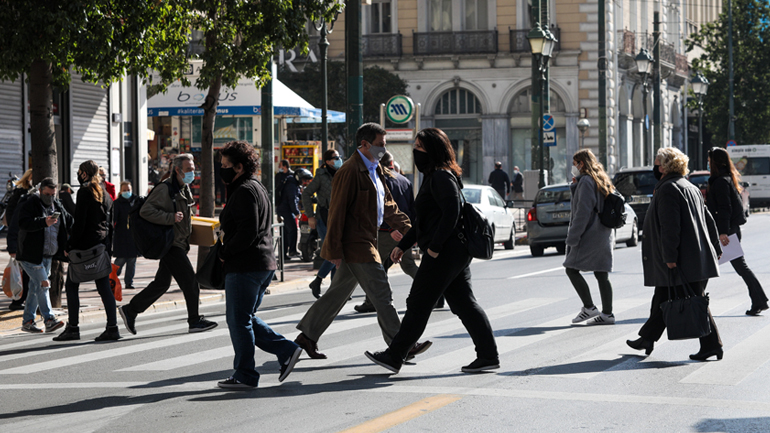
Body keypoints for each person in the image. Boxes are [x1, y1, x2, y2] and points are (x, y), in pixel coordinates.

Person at [365, 128, 499, 374]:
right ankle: (488, 355)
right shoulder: (438, 175)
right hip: (453, 251)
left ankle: (395, 355)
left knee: (418, 303)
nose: (415, 151)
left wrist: (435, 247)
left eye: (420, 147)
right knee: (464, 304)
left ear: (433, 150)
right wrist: (402, 246)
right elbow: (424, 222)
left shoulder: (440, 177)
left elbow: (452, 213)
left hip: (445, 252)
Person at [293, 123, 431, 360]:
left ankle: (306, 336)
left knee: (337, 294)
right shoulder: (348, 171)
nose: (383, 150)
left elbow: (389, 207)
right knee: (382, 293)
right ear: (364, 145)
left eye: (384, 145)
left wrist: (413, 231)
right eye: (379, 145)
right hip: (357, 243)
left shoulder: (375, 169)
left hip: (368, 240)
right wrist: (334, 249)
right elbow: (336, 212)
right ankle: (401, 345)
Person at [216, 141, 302, 390]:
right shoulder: (257, 187)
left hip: (246, 265)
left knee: (238, 321)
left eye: (225, 166)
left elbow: (247, 231)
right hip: (262, 263)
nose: (222, 170)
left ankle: (245, 374)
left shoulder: (243, 190)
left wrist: (224, 251)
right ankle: (287, 351)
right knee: (246, 317)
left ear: (239, 167)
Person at [627, 147, 724, 361]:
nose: (655, 166)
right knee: (664, 297)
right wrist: (716, 247)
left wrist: (670, 258)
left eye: (657, 162)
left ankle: (712, 345)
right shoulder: (689, 186)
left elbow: (671, 227)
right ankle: (647, 339)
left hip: (681, 259)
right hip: (695, 258)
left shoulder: (669, 189)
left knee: (691, 300)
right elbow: (708, 220)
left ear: (665, 166)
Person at [118, 154, 217, 335]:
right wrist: (170, 218)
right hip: (170, 244)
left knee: (162, 283)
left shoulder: (183, 188)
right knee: (190, 282)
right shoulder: (165, 189)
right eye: (188, 169)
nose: (192, 172)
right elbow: (146, 211)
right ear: (178, 170)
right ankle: (194, 320)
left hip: (178, 242)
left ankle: (130, 311)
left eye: (193, 169)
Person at [54, 161, 120, 341]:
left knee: (71, 286)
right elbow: (110, 224)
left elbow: (80, 223)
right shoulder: (105, 194)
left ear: (84, 174)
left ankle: (73, 328)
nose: (77, 174)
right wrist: (109, 249)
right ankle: (112, 327)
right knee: (104, 288)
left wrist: (69, 246)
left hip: (84, 246)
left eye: (79, 171)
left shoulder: (85, 192)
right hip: (101, 246)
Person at [355, 151, 420, 313]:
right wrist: (409, 232)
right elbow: (412, 209)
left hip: (385, 232)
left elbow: (381, 208)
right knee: (409, 265)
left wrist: (391, 229)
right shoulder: (404, 180)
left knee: (375, 267)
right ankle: (434, 293)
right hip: (404, 231)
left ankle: (373, 301)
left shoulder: (380, 179)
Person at [706, 147, 768, 315]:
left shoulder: (720, 182)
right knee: (717, 265)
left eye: (709, 160)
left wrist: (723, 232)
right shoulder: (726, 179)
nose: (708, 163)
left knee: (736, 266)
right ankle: (759, 300)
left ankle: (760, 300)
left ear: (715, 162)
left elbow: (725, 208)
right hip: (727, 230)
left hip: (726, 231)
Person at [564, 149, 616, 325]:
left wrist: (573, 237)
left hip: (590, 234)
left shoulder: (586, 181)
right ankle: (607, 314)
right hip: (603, 233)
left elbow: (582, 212)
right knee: (602, 273)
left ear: (582, 164)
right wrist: (575, 185)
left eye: (575, 164)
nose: (574, 167)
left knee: (571, 268)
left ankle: (589, 307)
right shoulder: (600, 179)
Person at [16, 178, 70, 334]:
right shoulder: (30, 203)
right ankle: (49, 319)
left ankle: (28, 321)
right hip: (30, 255)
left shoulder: (57, 205)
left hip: (47, 255)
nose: (50, 197)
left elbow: (68, 222)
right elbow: (23, 223)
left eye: (53, 194)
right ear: (40, 191)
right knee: (44, 284)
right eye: (47, 194)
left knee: (35, 287)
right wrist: (43, 222)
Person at [302, 149, 341, 299]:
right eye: (335, 158)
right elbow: (306, 193)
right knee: (332, 251)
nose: (338, 160)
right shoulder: (321, 175)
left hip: (338, 218)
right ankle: (318, 281)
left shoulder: (341, 173)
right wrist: (310, 216)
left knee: (337, 252)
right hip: (324, 218)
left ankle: (335, 287)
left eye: (339, 157)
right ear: (327, 161)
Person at [6, 169, 34, 311]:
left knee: (26, 273)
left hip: (25, 237)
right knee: (23, 273)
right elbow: (12, 213)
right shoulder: (22, 193)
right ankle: (19, 299)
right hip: (20, 236)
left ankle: (21, 299)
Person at [112, 181, 139, 289]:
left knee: (132, 260)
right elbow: (114, 218)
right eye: (124, 190)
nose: (127, 192)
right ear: (120, 191)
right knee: (121, 259)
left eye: (128, 190)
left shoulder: (136, 201)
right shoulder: (118, 203)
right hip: (121, 235)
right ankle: (112, 277)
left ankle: (129, 282)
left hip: (133, 235)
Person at [275, 159, 300, 260]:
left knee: (285, 231)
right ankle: (290, 251)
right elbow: (291, 197)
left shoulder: (292, 176)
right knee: (290, 229)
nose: (279, 167)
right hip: (284, 207)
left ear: (284, 166)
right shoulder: (280, 176)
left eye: (280, 165)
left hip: (284, 207)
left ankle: (285, 253)